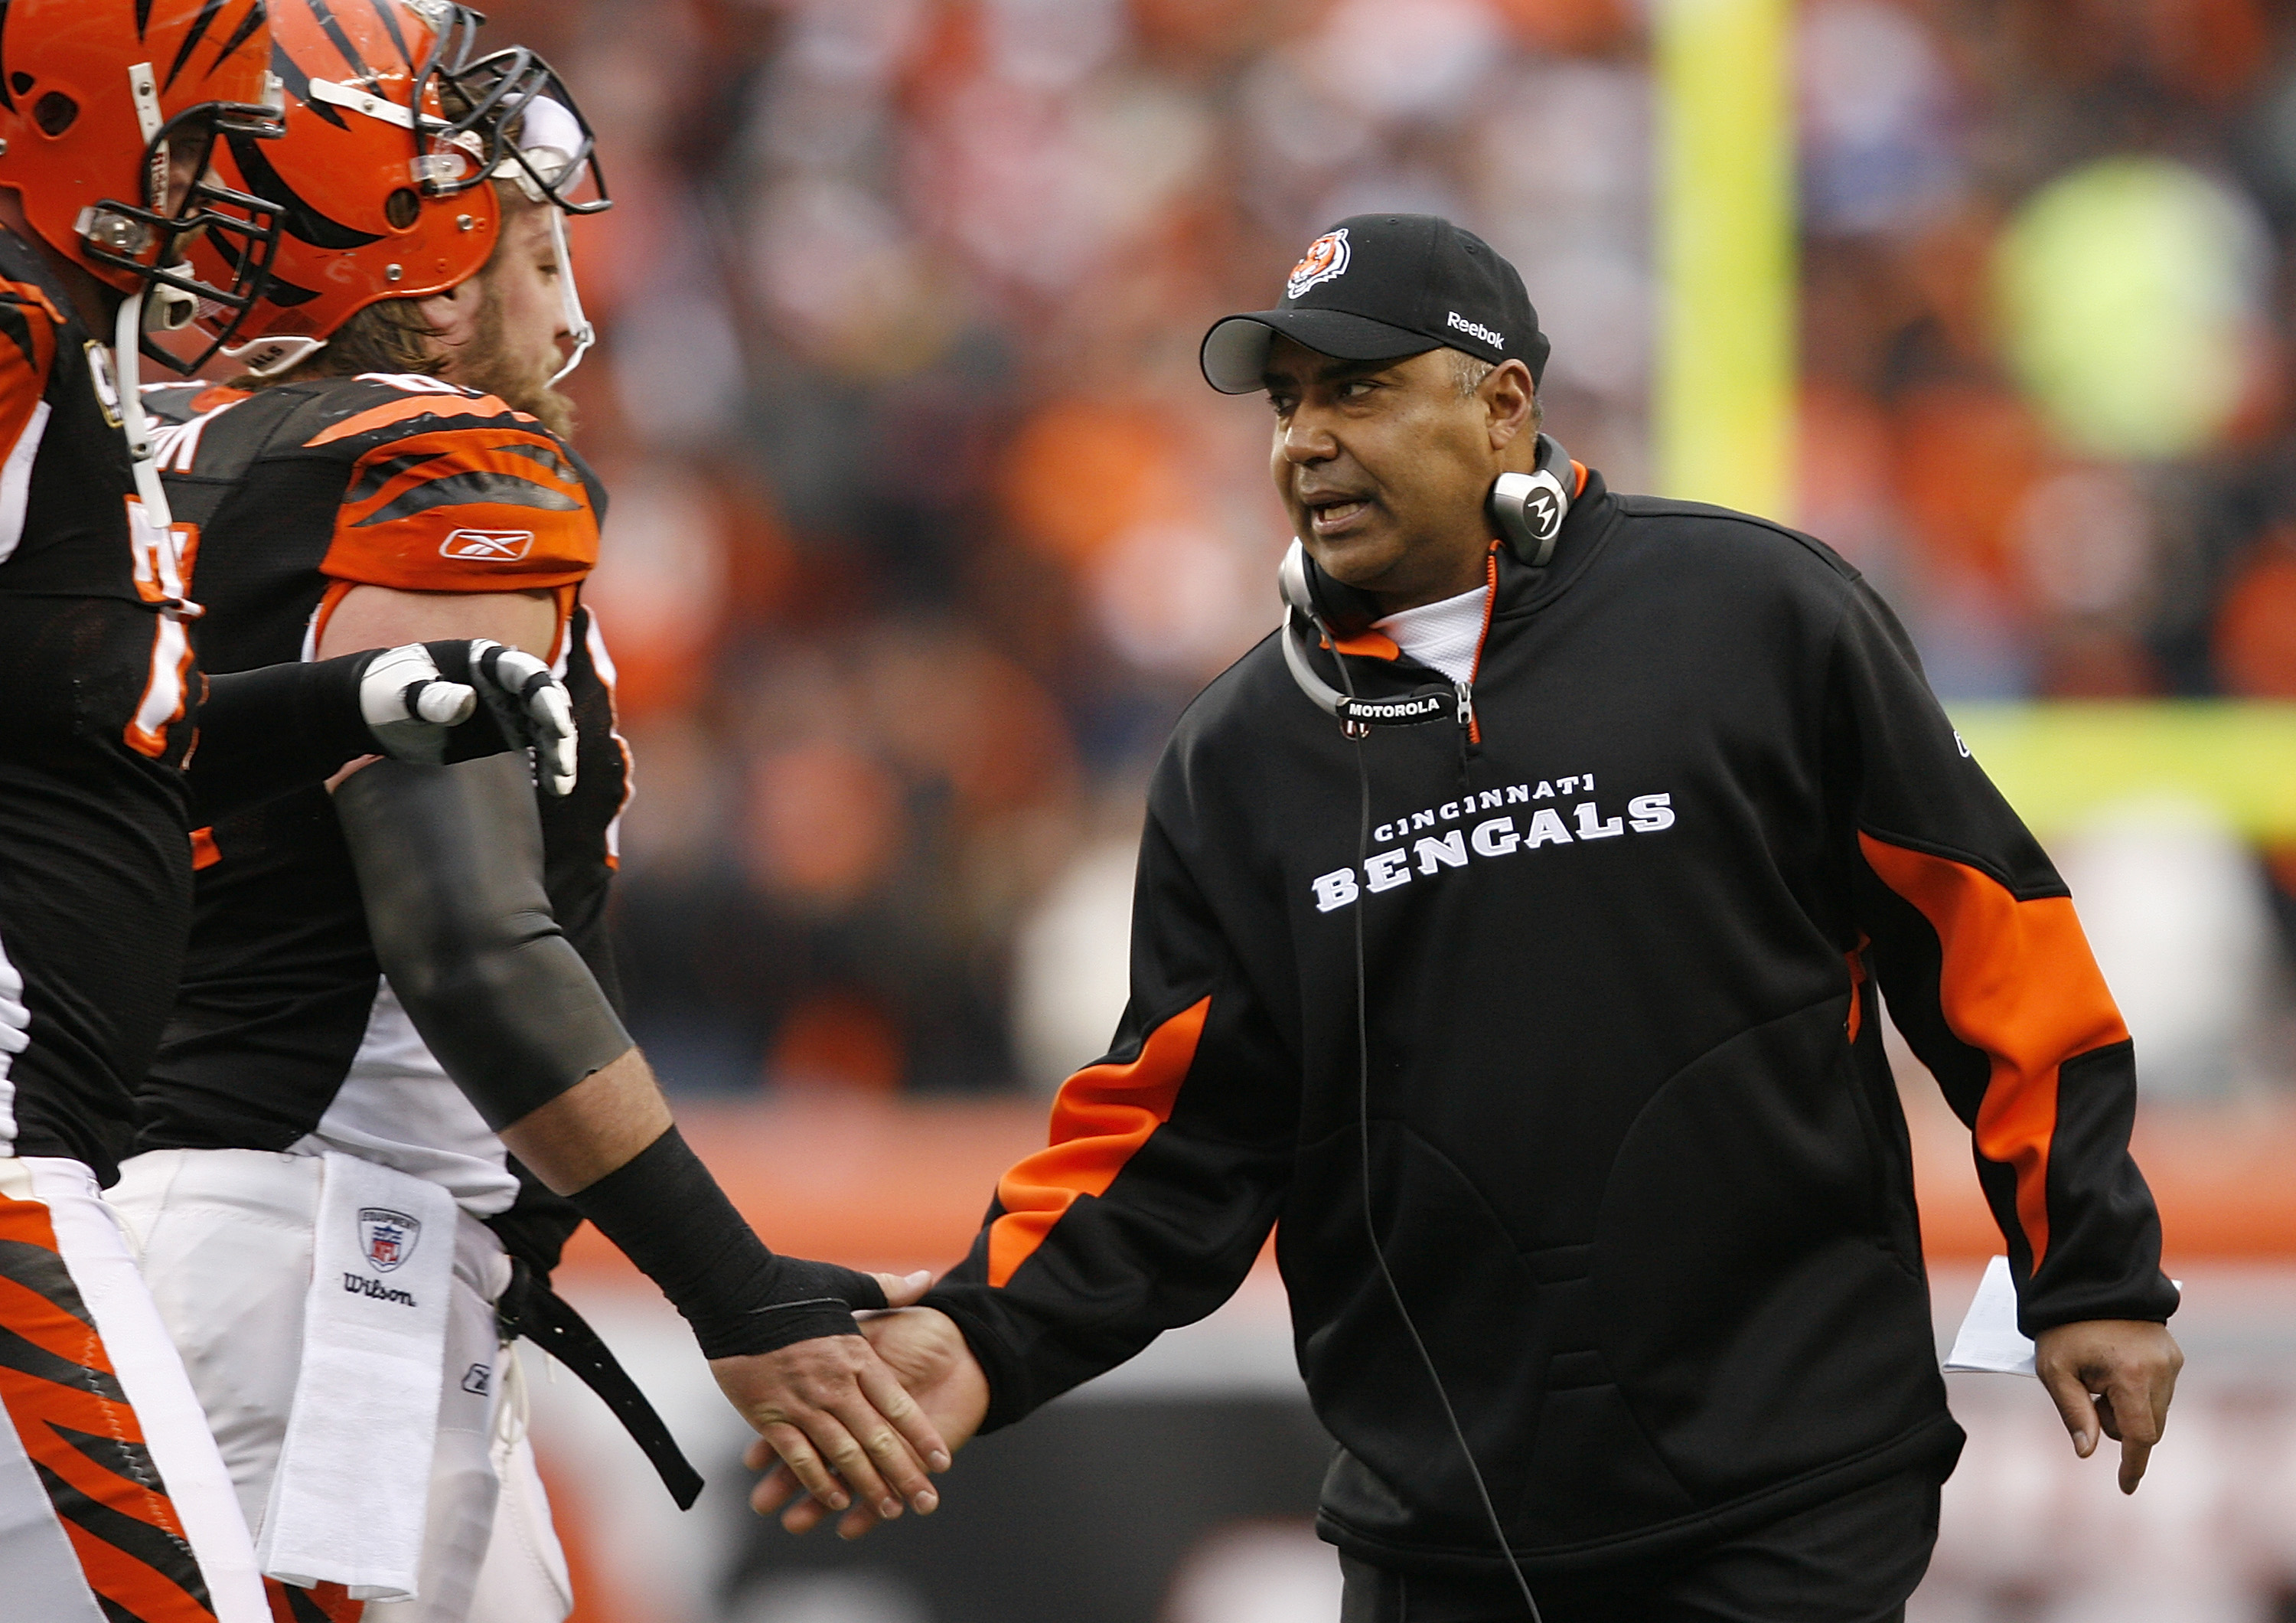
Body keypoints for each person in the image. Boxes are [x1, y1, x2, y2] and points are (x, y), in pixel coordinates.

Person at [752, 215, 2184, 1623]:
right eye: (1288, 400)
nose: (1304, 439)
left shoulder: (1756, 613)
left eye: (1358, 389)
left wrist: (2092, 1272)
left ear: (1502, 405)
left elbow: (1992, 945)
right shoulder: (1238, 757)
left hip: (1795, 1495)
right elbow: (1177, 1141)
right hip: (1443, 1537)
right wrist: (977, 1336)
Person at [106, 10, 946, 1620]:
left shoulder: (148, 471)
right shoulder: (434, 463)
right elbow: (468, 939)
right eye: (536, 243)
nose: (571, 312)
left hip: (219, 1237)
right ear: (412, 250)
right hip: (323, 1270)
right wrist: (733, 1291)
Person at [0, 7, 573, 1620]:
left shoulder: (97, 377)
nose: (211, 187)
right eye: (191, 136)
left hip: (117, 1175)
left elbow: (103, 737)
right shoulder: (24, 327)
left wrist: (334, 704)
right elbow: (473, 940)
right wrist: (738, 1295)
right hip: (125, 1192)